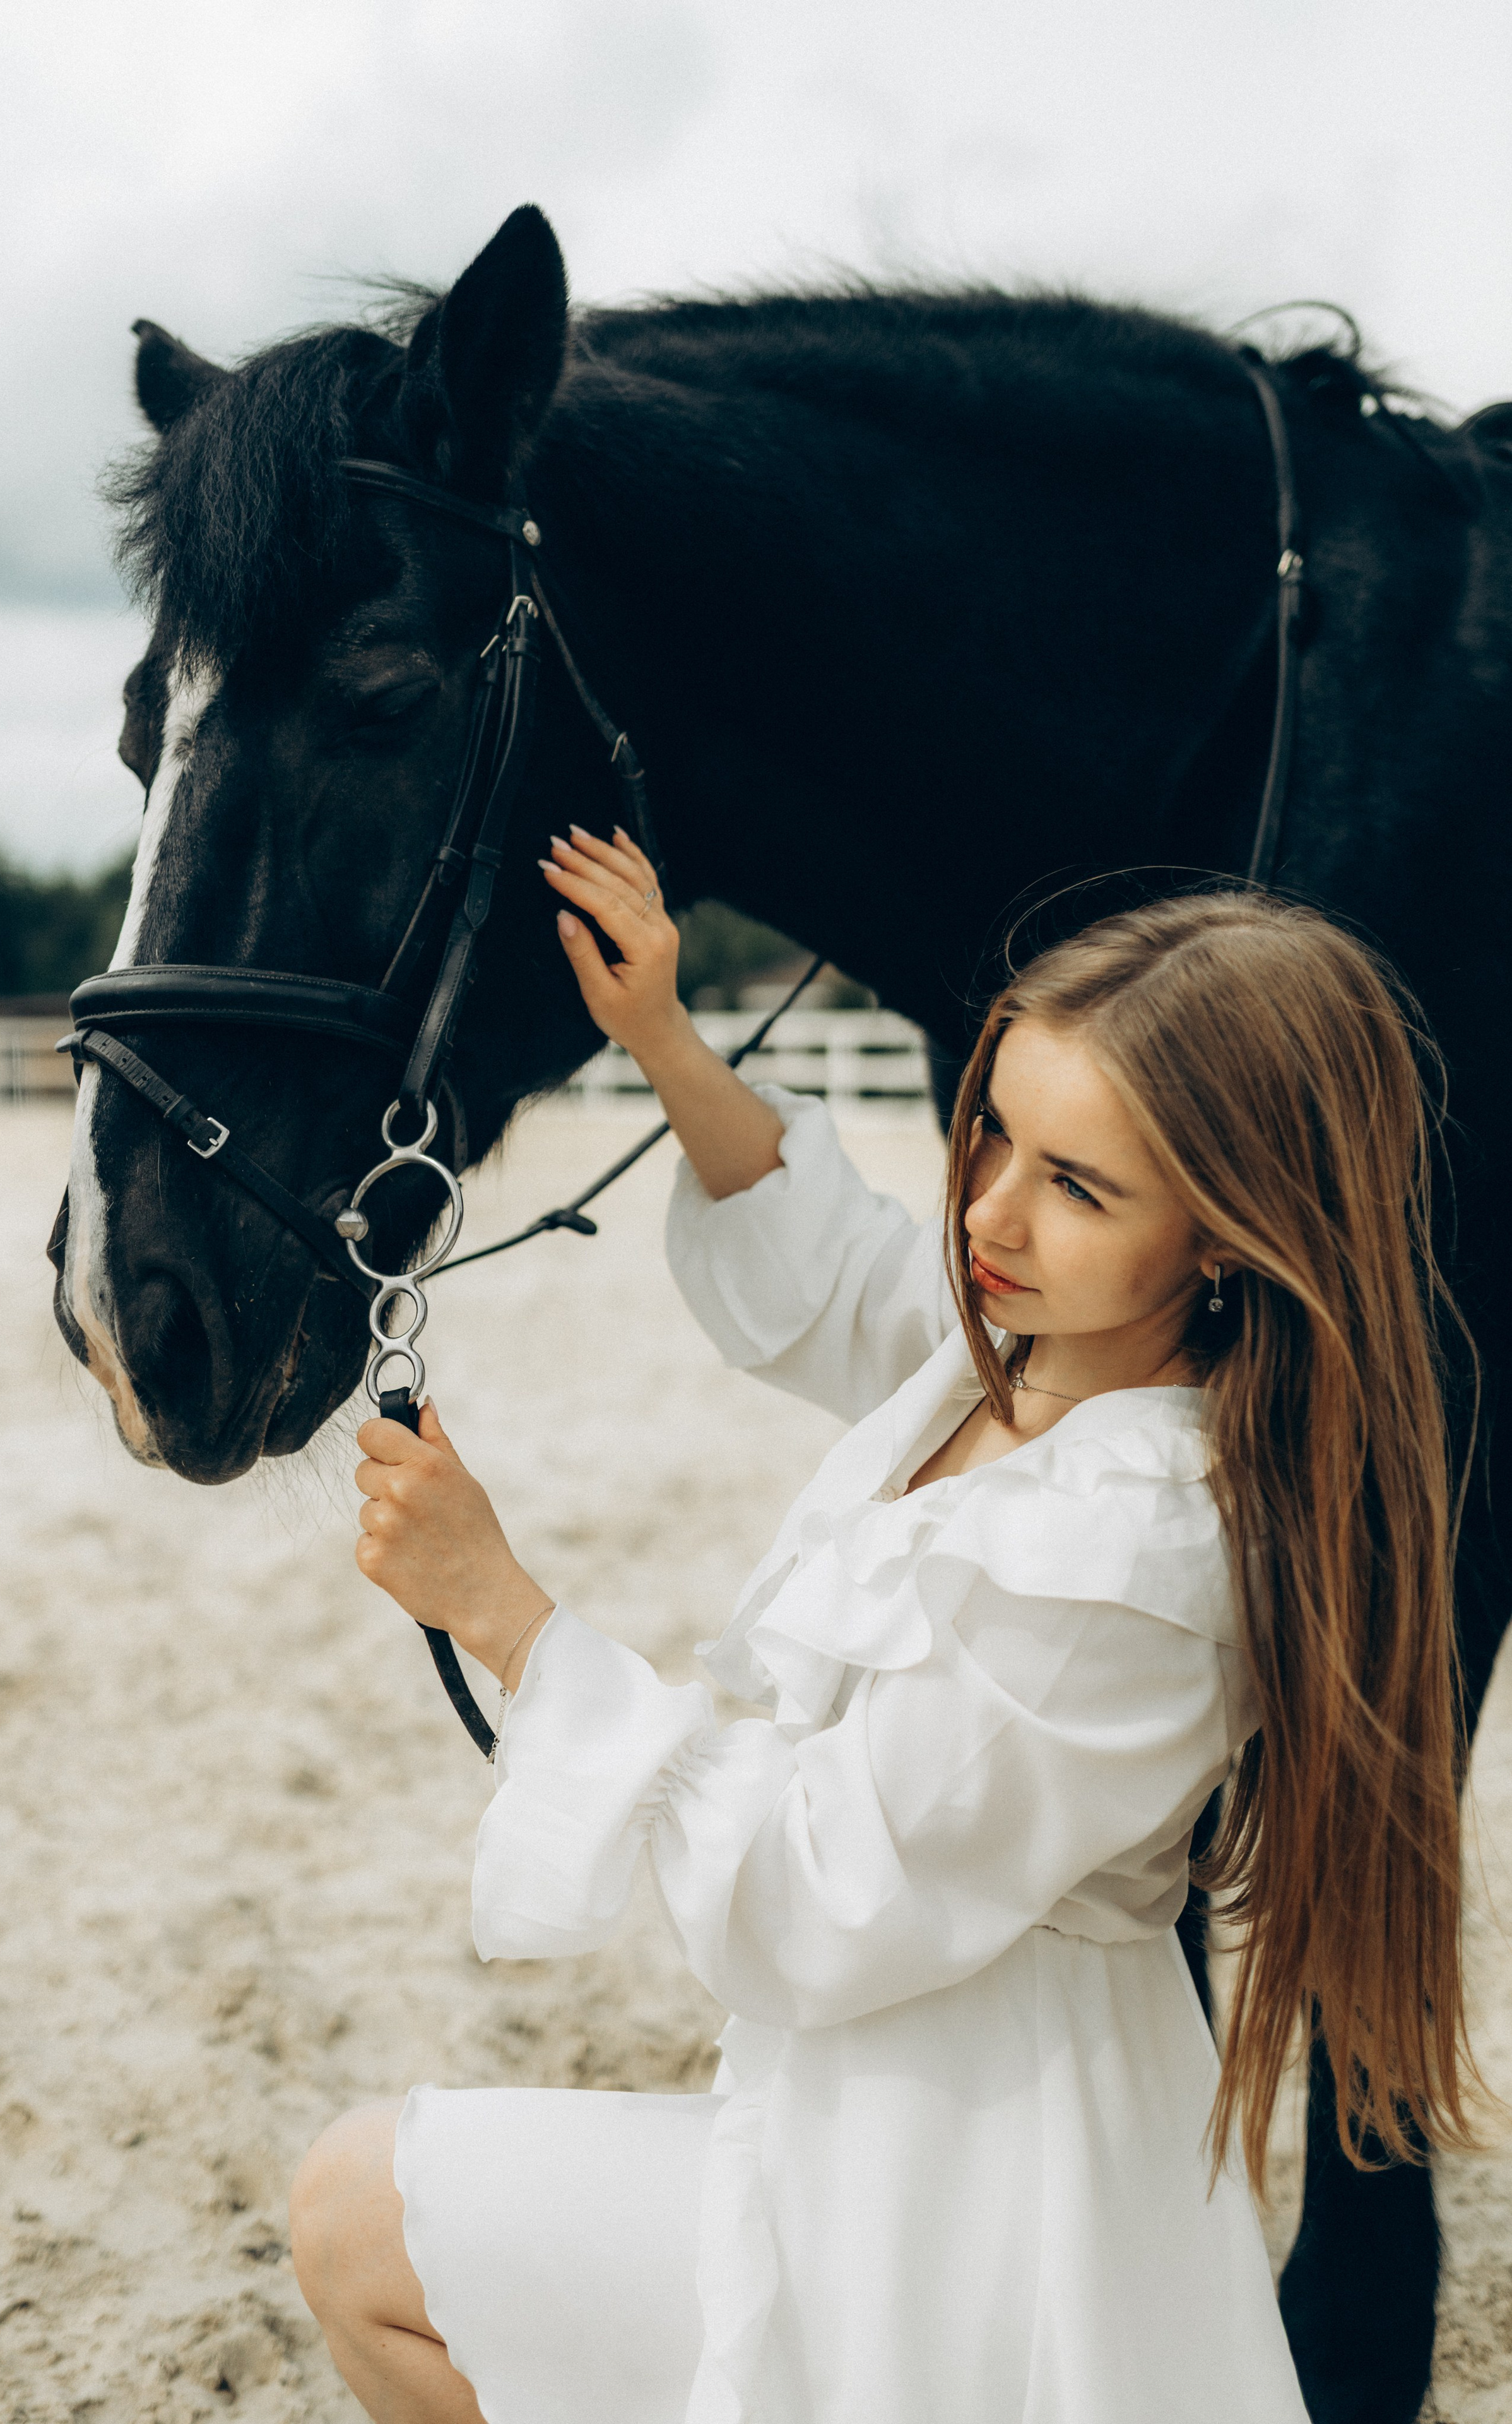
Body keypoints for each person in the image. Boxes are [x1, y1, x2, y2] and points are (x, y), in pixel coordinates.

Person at [289, 832, 1479, 2424]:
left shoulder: (1128, 1547)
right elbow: (841, 1276)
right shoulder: (1050, 1345)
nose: (987, 1213)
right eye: (992, 1133)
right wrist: (658, 1034)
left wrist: (504, 1614)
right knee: (370, 2220)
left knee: (359, 2209)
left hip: (961, 2181)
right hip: (868, 2107)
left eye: (1075, 1184)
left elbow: (809, 1896)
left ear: (1224, 1233)